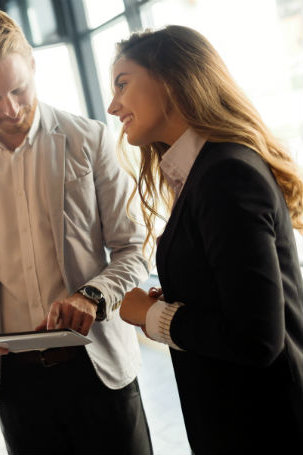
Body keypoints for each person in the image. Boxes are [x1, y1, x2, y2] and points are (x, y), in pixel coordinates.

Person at [0, 8, 153, 454]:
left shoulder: (90, 140)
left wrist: (91, 296)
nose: (10, 109)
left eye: (18, 90)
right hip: (18, 384)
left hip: (99, 367)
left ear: (33, 65)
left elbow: (134, 248)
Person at [109, 25, 303, 453]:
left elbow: (257, 339)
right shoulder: (204, 173)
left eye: (123, 84)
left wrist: (151, 316)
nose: (112, 105)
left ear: (171, 79)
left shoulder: (224, 175)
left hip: (267, 427)